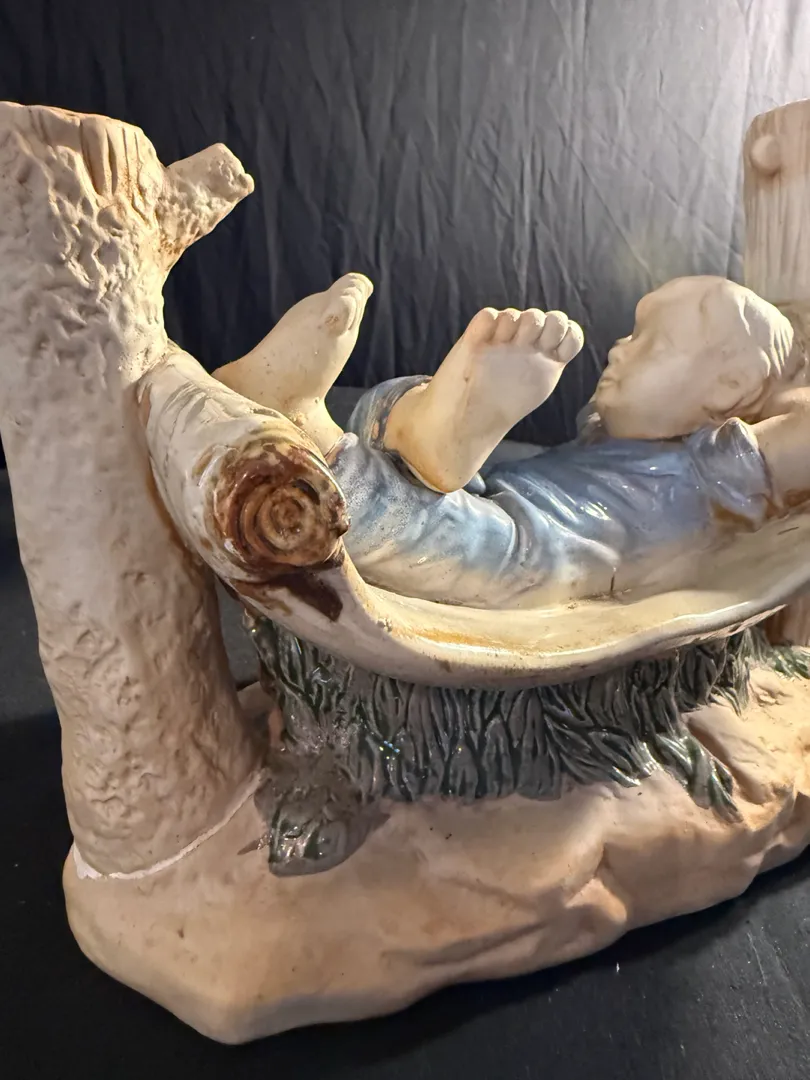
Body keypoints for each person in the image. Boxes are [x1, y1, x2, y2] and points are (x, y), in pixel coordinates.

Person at [216, 274, 810, 610]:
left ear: (731, 387)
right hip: (495, 494)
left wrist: (787, 383)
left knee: (444, 537)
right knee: (421, 462)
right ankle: (425, 425)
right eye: (631, 332)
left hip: (544, 556)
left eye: (651, 341)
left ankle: (309, 431)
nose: (618, 347)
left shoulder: (720, 467)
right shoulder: (607, 431)